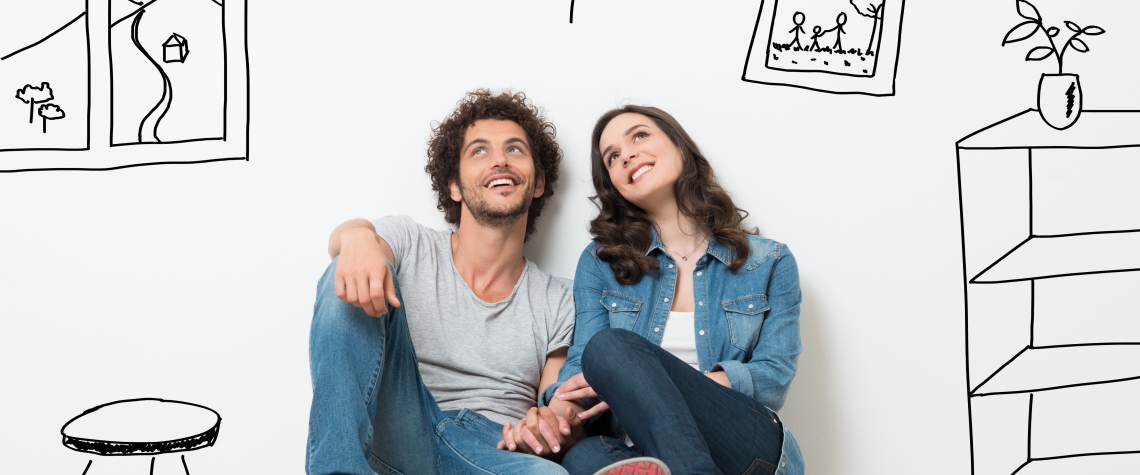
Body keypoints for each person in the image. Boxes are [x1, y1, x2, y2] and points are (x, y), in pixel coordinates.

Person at [502, 105, 805, 475]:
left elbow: (773, 378)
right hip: (640, 453)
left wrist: (645, 383)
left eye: (639, 136)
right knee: (582, 457)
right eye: (612, 156)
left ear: (679, 146)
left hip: (749, 450)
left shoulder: (769, 261)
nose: (626, 154)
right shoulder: (600, 263)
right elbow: (582, 366)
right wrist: (555, 417)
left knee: (611, 347)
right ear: (613, 183)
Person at [306, 89, 579, 475]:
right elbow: (347, 240)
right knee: (348, 270)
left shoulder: (561, 298)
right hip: (403, 432)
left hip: (491, 449)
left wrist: (549, 426)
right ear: (454, 186)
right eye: (480, 151)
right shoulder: (411, 242)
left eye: (515, 150)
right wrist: (356, 238)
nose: (500, 160)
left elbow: (553, 409)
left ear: (537, 183)